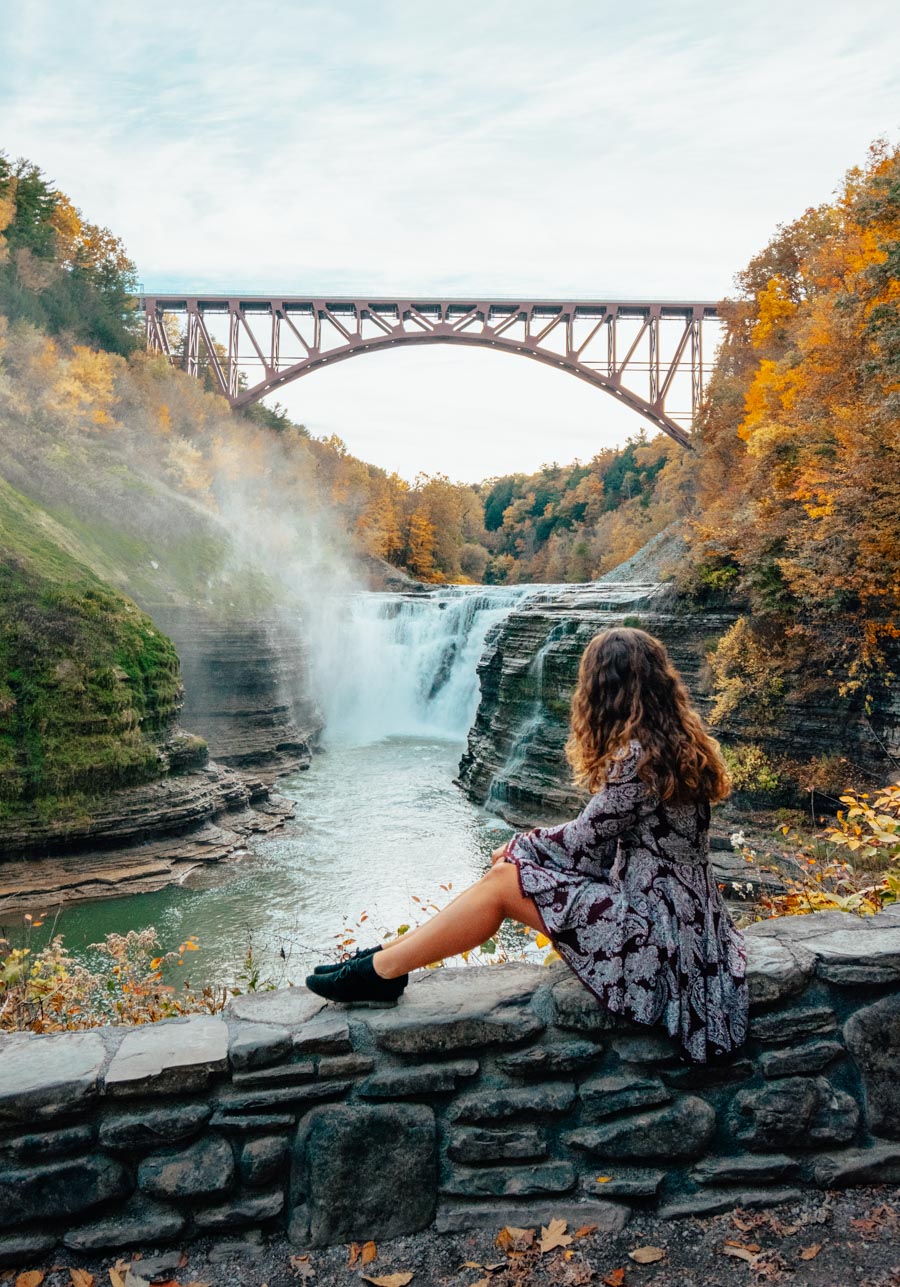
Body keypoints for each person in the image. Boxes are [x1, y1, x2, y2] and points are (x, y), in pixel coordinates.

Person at [305, 626, 748, 1064]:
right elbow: (599, 837)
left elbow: (582, 839)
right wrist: (528, 850)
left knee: (502, 883)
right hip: (688, 921)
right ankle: (382, 961)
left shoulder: (637, 759)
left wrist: (519, 845)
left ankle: (380, 970)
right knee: (506, 874)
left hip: (660, 936)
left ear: (604, 690)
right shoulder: (680, 744)